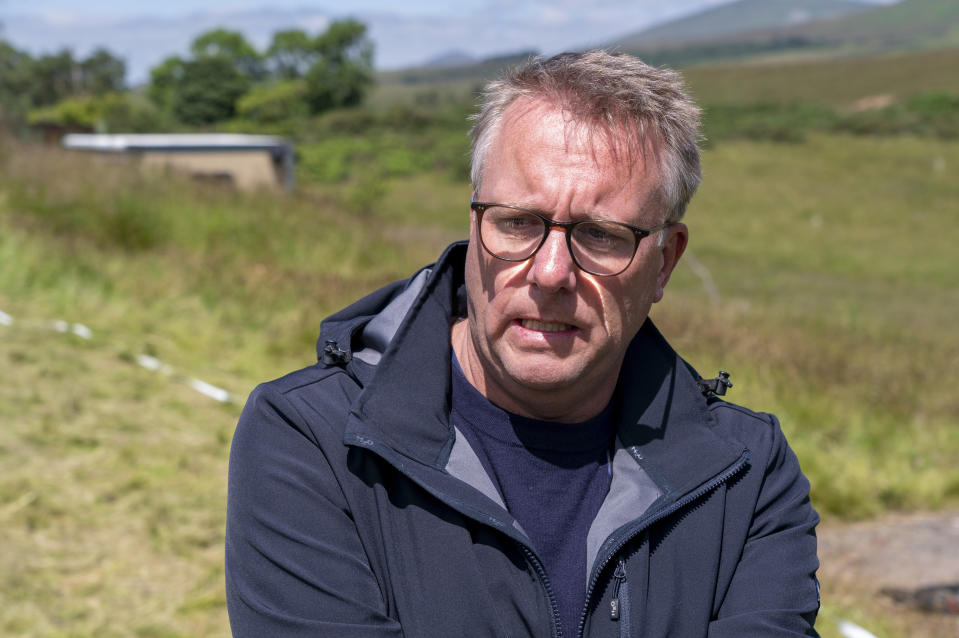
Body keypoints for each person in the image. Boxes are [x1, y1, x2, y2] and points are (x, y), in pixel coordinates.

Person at [226, 50, 820, 637]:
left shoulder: (744, 472)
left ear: (665, 262)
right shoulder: (314, 439)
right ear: (473, 226)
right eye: (517, 223)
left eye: (600, 235)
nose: (551, 272)